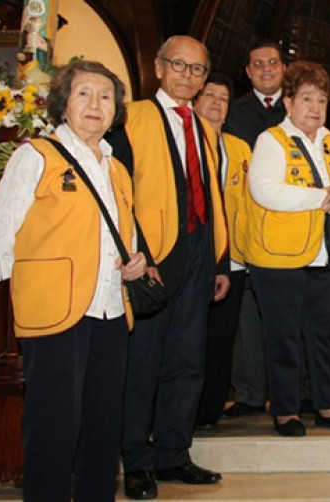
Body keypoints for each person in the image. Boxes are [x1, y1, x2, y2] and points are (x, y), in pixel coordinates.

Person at [0, 60, 146, 501]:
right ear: (63, 103)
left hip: (109, 309)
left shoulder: (117, 169)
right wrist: (19, 297)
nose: (95, 104)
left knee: (103, 425)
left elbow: (123, 238)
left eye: (105, 96)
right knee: (54, 425)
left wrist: (135, 262)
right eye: (83, 93)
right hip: (54, 312)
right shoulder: (36, 156)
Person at [108, 35, 230, 500]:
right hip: (153, 257)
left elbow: (214, 197)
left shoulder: (206, 129)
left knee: (187, 359)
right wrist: (139, 256)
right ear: (158, 67)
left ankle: (174, 454)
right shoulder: (131, 117)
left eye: (197, 69)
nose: (187, 75)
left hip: (199, 251)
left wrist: (220, 260)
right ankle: (137, 461)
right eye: (179, 65)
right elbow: (118, 193)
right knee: (143, 362)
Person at [244, 60, 330, 436]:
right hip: (278, 257)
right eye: (307, 98)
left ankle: (328, 406)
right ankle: (286, 411)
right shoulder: (271, 140)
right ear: (289, 102)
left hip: (323, 255)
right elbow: (264, 190)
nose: (315, 107)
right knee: (283, 337)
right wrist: (323, 196)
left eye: (321, 100)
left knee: (326, 334)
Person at [222, 40, 288, 420]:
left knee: (289, 314)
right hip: (244, 224)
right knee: (247, 315)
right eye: (258, 64)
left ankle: (292, 393)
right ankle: (249, 394)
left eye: (272, 62)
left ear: (283, 68)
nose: (266, 69)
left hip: (291, 226)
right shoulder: (233, 112)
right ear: (248, 72)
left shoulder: (300, 107)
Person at [192, 72, 255, 432]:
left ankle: (210, 410)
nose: (216, 103)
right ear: (195, 101)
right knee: (191, 338)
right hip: (194, 256)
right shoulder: (184, 142)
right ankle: (182, 408)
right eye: (210, 96)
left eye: (223, 99)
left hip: (233, 259)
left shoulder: (240, 148)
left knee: (221, 339)